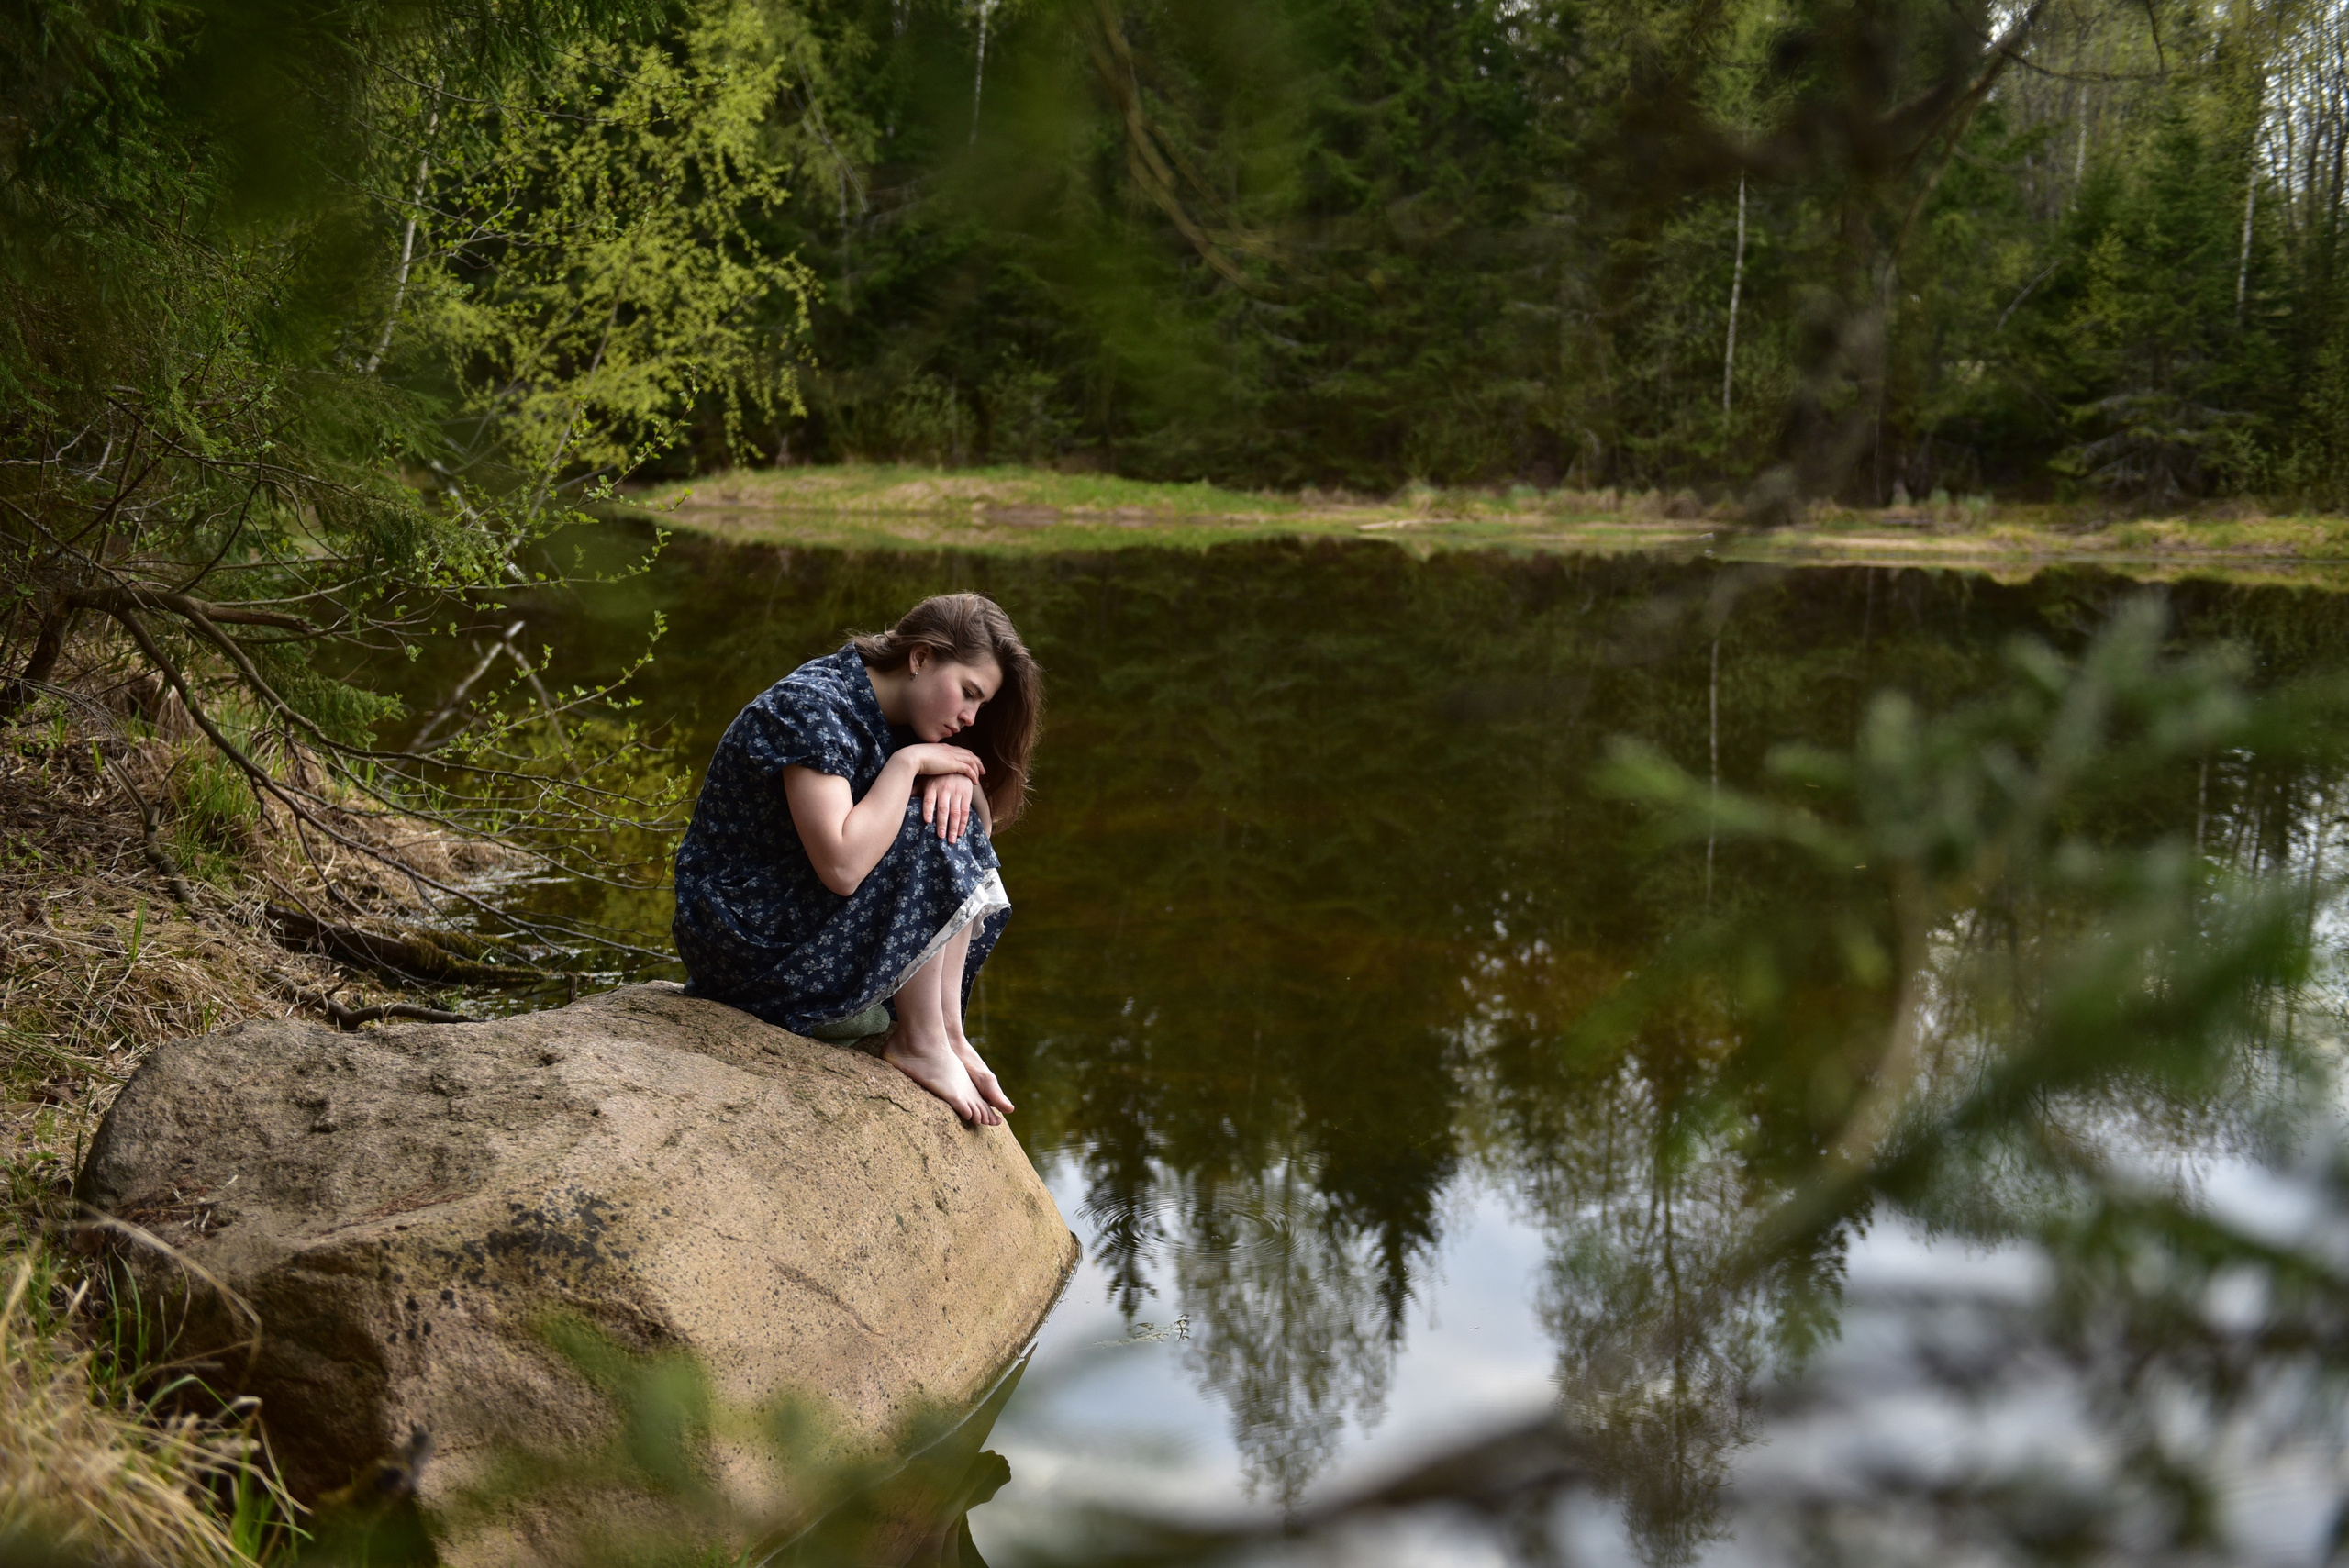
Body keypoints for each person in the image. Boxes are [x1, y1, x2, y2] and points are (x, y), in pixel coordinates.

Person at [672, 594, 1041, 1126]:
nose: (969, 717)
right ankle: (919, 1040)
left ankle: (946, 1032)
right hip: (744, 942)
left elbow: (975, 839)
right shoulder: (813, 707)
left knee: (947, 818)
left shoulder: (901, 714)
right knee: (928, 825)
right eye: (968, 693)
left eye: (980, 706)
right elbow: (842, 867)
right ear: (921, 657)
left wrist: (957, 778)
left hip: (795, 918)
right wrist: (909, 764)